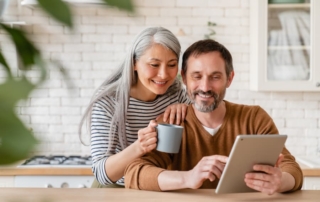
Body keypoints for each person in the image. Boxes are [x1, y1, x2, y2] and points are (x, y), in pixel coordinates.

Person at [124, 39, 303, 194]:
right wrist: (188, 178)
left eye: (215, 77)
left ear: (229, 78)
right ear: (184, 78)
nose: (205, 87)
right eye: (197, 76)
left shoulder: (254, 118)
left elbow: (291, 168)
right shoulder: (172, 122)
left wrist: (281, 182)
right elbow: (135, 173)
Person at [79, 27, 190, 188]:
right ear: (134, 63)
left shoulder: (176, 94)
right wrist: (140, 146)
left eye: (171, 64)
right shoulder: (109, 101)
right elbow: (101, 173)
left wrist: (187, 109)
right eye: (154, 64)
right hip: (116, 187)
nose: (164, 74)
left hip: (156, 185)